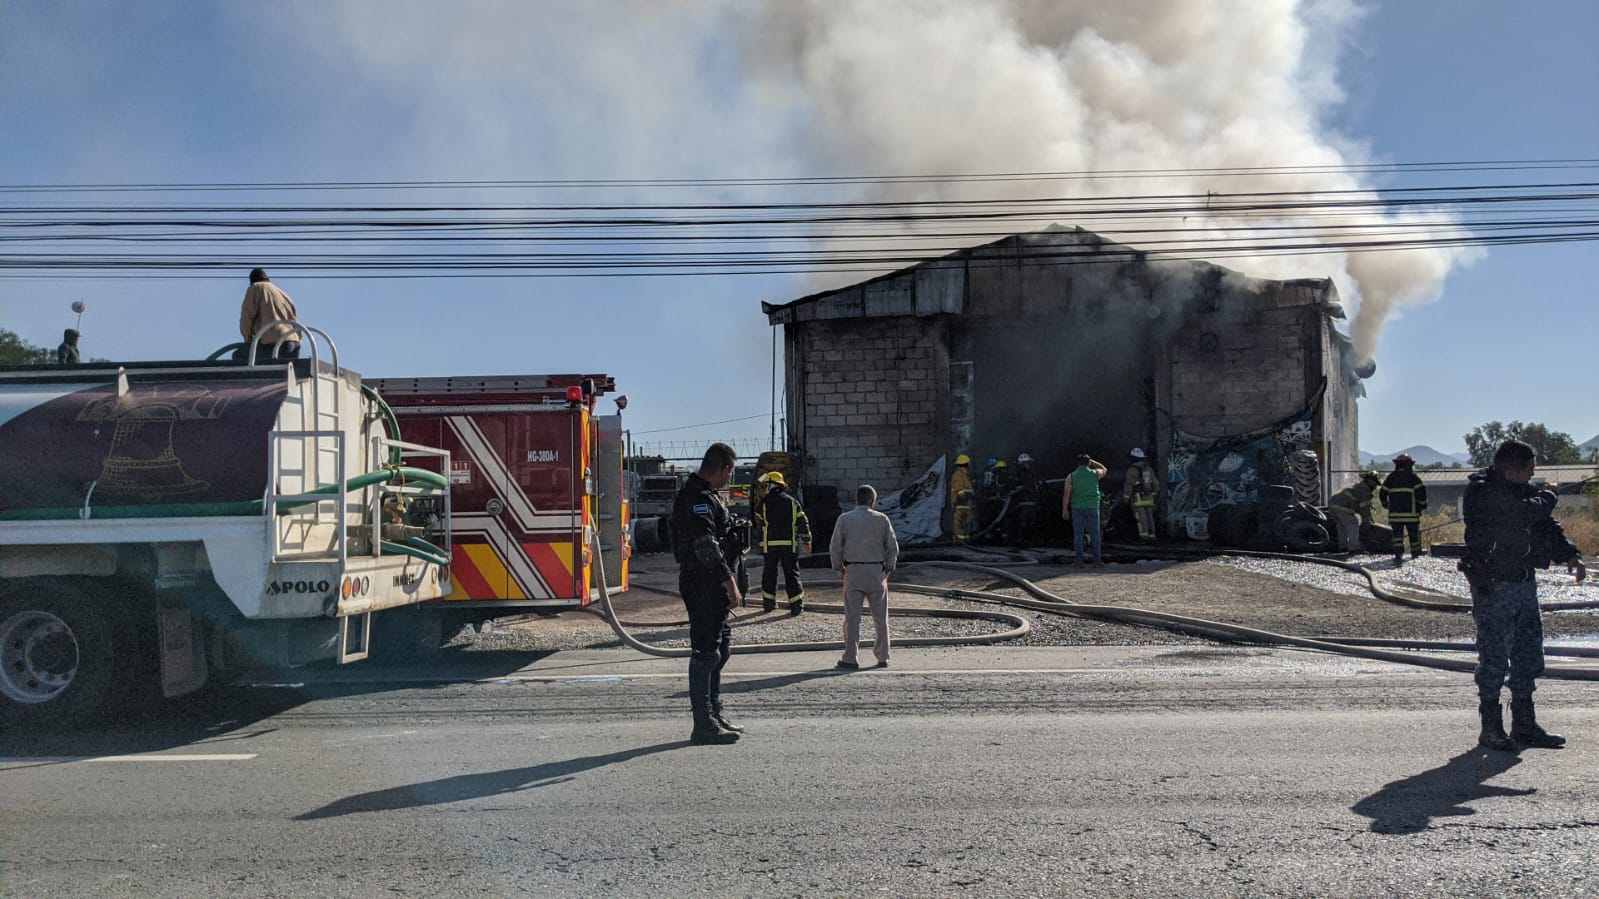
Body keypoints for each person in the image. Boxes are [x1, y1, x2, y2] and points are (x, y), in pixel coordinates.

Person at [1461, 439, 1586, 751]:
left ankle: (1525, 725)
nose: (1532, 474)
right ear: (1508, 470)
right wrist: (1550, 494)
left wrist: (1570, 554)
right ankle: (1491, 728)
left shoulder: (1527, 491)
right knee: (1493, 655)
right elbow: (1520, 515)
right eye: (1528, 468)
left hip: (1523, 583)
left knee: (1528, 652)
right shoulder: (1482, 491)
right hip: (1494, 585)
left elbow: (1546, 524)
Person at [671, 442, 745, 745]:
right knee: (706, 652)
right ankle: (703, 724)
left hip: (711, 584)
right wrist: (729, 580)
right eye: (731, 471)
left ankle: (714, 712)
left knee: (721, 649)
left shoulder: (709, 496)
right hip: (703, 582)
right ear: (724, 468)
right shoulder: (697, 498)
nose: (730, 477)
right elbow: (705, 545)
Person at [829, 484, 899, 670]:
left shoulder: (844, 519)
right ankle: (882, 656)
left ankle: (851, 657)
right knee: (880, 618)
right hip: (877, 571)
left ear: (856, 500)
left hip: (853, 571)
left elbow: (835, 548)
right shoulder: (882, 519)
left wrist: (839, 570)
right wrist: (888, 569)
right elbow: (893, 548)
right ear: (872, 501)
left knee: (852, 618)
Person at [755, 471, 810, 615]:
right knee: (791, 574)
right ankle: (796, 606)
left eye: (766, 485)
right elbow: (802, 521)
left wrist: (760, 543)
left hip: (770, 545)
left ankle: (768, 604)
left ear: (772, 484)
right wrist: (806, 540)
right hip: (789, 544)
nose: (765, 488)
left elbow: (759, 524)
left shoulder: (764, 503)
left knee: (769, 574)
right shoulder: (792, 502)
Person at [236, 268, 301, 361]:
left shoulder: (255, 287)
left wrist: (248, 339)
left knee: (239, 355)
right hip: (294, 343)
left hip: (275, 343)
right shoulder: (282, 294)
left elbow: (246, 317)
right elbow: (294, 319)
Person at [1380, 453, 1428, 564]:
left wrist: (1385, 504)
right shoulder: (1413, 478)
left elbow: (1382, 492)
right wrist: (1423, 504)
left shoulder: (1391, 478)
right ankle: (1415, 554)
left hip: (1395, 515)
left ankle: (1398, 554)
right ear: (1409, 465)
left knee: (1397, 536)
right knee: (1413, 535)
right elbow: (1422, 493)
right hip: (1411, 515)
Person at [1062, 454, 1108, 567]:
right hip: (1093, 506)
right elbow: (1104, 469)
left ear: (1078, 463)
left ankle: (1078, 561)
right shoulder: (1095, 474)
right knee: (1095, 534)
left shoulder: (1071, 476)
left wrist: (1065, 509)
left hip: (1077, 507)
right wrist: (1093, 462)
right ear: (1088, 463)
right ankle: (1097, 560)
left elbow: (1066, 494)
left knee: (1078, 534)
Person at [1122, 448, 1159, 542]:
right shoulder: (1149, 470)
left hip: (1137, 500)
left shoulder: (1131, 471)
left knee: (1141, 519)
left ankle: (1144, 537)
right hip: (1149, 498)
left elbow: (1128, 486)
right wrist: (1154, 495)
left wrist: (1126, 498)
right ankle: (1152, 536)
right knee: (1150, 517)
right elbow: (1155, 484)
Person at [1007, 453, 1040, 548]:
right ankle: (1020, 540)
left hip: (1028, 501)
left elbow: (1027, 485)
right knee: (1023, 521)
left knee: (1027, 522)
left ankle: (1025, 540)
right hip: (1024, 502)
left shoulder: (1028, 474)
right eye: (1026, 463)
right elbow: (1023, 485)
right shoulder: (1023, 473)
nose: (1027, 465)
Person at [949, 453, 974, 543]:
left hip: (966, 503)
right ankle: (959, 540)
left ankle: (965, 539)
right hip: (960, 502)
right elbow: (959, 489)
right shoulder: (958, 474)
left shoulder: (965, 475)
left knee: (967, 521)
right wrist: (965, 496)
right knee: (959, 522)